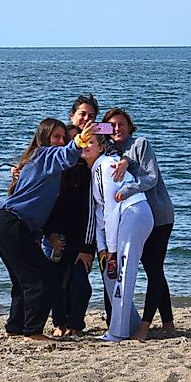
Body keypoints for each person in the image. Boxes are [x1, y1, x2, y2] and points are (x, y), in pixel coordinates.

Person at [0, 118, 94, 341]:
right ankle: (32, 332)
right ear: (43, 138)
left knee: (22, 280)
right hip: (11, 224)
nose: (60, 141)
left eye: (63, 137)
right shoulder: (43, 154)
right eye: (56, 137)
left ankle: (15, 328)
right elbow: (65, 155)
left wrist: (41, 235)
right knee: (42, 278)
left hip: (5, 225)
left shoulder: (36, 162)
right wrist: (79, 140)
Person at [104, 108, 175, 340]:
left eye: (121, 124)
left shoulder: (140, 144)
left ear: (129, 126)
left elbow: (151, 178)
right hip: (135, 221)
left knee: (153, 269)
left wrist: (126, 189)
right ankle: (168, 323)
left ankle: (144, 326)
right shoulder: (110, 151)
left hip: (158, 216)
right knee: (155, 270)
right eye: (111, 125)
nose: (117, 129)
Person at [83, 134, 154, 341]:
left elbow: (112, 208)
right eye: (83, 141)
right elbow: (100, 213)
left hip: (132, 214)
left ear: (101, 148)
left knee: (123, 272)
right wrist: (103, 247)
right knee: (110, 275)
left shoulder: (105, 165)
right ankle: (130, 324)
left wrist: (112, 250)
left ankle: (117, 332)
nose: (86, 145)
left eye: (91, 142)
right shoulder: (96, 168)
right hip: (123, 219)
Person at [45, 124, 95, 336]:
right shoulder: (55, 170)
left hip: (82, 238)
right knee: (56, 283)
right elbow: (44, 207)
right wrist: (49, 234)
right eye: (71, 141)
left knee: (80, 283)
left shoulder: (88, 171)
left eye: (80, 141)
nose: (77, 145)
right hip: (57, 238)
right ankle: (59, 324)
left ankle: (75, 324)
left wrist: (87, 247)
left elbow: (92, 212)